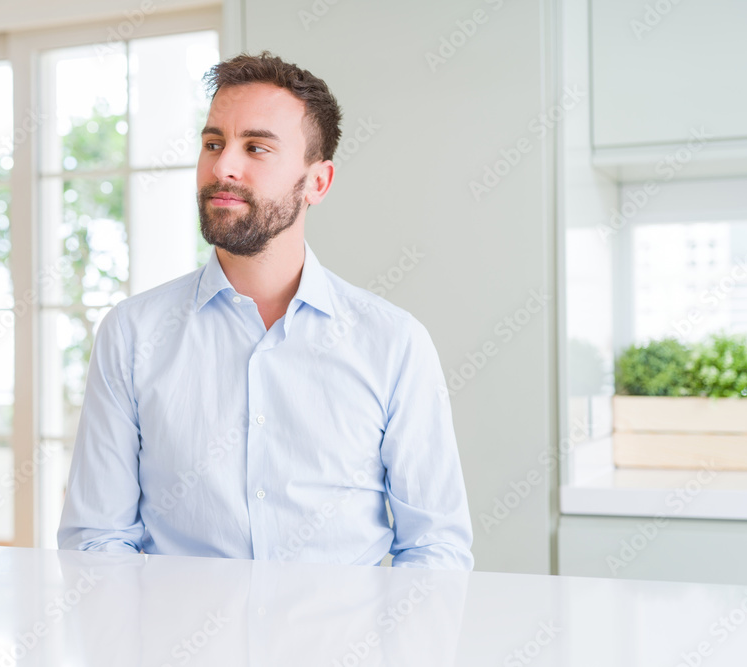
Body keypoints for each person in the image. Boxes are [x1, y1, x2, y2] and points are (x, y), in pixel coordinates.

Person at [58, 51, 474, 569]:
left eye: (256, 147)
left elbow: (434, 548)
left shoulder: (394, 344)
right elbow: (97, 541)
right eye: (214, 143)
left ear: (317, 182)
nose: (223, 166)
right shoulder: (132, 334)